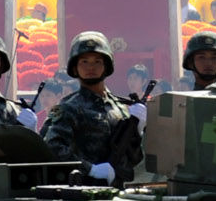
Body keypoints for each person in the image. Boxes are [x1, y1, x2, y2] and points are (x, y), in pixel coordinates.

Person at [40, 32, 143, 186]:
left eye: (97, 61)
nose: (91, 67)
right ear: (75, 68)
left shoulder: (120, 108)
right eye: (84, 61)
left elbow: (134, 159)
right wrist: (90, 169)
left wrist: (138, 131)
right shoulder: (67, 107)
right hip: (81, 190)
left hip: (118, 191)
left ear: (106, 66)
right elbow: (51, 147)